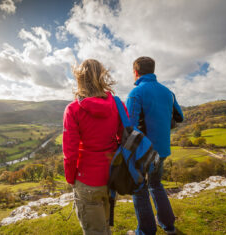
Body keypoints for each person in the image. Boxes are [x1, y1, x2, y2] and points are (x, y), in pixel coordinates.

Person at [63, 59, 128, 235]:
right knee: (105, 225)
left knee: (94, 230)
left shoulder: (73, 109)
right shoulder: (118, 104)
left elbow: (70, 153)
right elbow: (125, 138)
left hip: (86, 180)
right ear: (102, 76)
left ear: (80, 78)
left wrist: (71, 179)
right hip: (111, 176)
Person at [126, 56, 184, 235]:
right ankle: (168, 226)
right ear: (153, 70)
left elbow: (130, 127)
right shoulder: (168, 92)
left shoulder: (136, 93)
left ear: (136, 72)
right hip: (163, 149)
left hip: (144, 151)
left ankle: (146, 231)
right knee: (156, 185)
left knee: (139, 188)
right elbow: (180, 116)